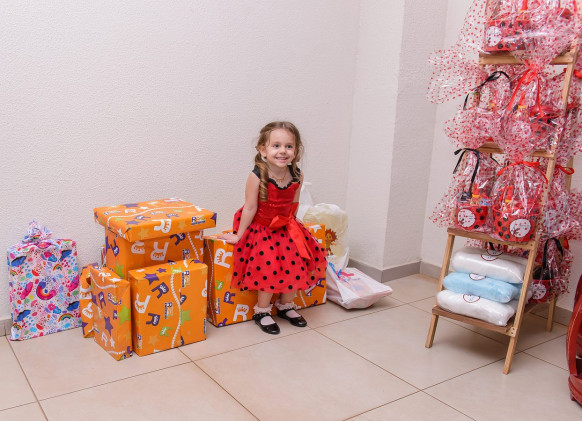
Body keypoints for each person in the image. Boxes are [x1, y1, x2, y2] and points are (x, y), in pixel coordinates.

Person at [220, 121, 327, 334]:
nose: (283, 151)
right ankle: (262, 311)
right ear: (263, 149)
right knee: (268, 268)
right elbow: (250, 207)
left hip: (286, 226)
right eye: (276, 145)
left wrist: (294, 226)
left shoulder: (297, 175)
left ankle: (286, 305)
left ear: (296, 151)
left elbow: (294, 204)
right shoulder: (257, 176)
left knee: (296, 264)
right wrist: (239, 235)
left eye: (289, 146)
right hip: (262, 229)